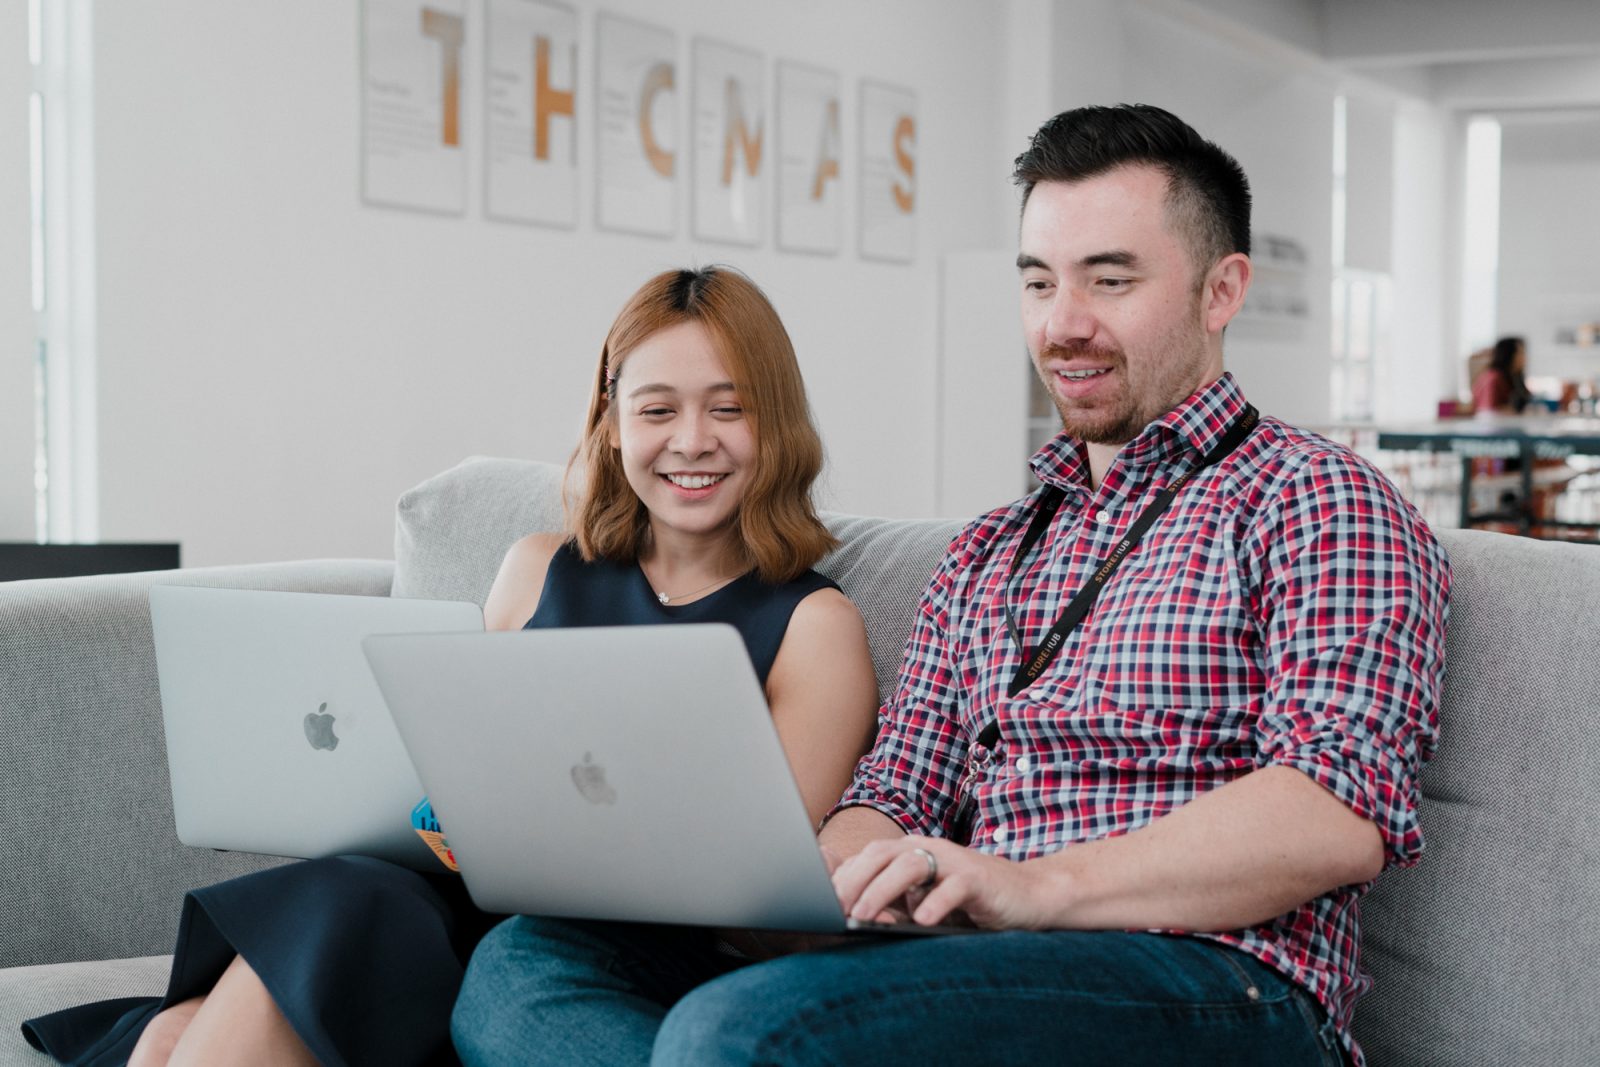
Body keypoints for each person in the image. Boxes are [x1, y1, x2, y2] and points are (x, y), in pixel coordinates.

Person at [452, 105, 1450, 1067]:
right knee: (524, 966)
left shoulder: (1316, 497)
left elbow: (1333, 810)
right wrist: (837, 883)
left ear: (1220, 289)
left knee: (738, 1033)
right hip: (965, 958)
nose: (1063, 324)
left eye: (1109, 279)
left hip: (1218, 978)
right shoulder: (987, 552)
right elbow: (893, 791)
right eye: (1037, 282)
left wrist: (1032, 886)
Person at [22, 265, 879, 1067]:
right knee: (319, 915)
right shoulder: (538, 564)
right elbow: (448, 763)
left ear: (775, 422)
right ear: (612, 426)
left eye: (727, 409)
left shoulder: (813, 624)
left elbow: (764, 886)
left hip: (599, 947)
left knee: (207, 1014)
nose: (691, 441)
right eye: (657, 410)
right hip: (443, 899)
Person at [1471, 335, 1531, 414]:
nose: (1525, 358)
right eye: (1520, 353)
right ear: (1508, 355)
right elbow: (1488, 410)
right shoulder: (1493, 379)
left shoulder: (1513, 377)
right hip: (1495, 424)